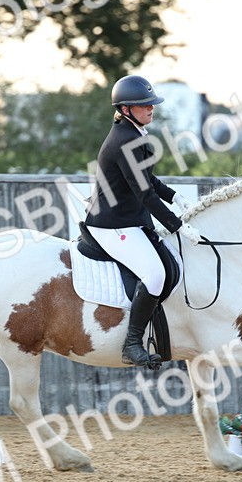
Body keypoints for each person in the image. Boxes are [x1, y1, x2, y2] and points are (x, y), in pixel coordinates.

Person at [84, 75, 203, 367]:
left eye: (151, 104)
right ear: (125, 109)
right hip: (112, 225)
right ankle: (132, 343)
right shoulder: (125, 140)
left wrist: (175, 197)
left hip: (127, 220)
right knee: (155, 275)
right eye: (144, 105)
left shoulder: (134, 133)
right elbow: (145, 194)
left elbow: (149, 180)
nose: (151, 108)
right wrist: (179, 225)